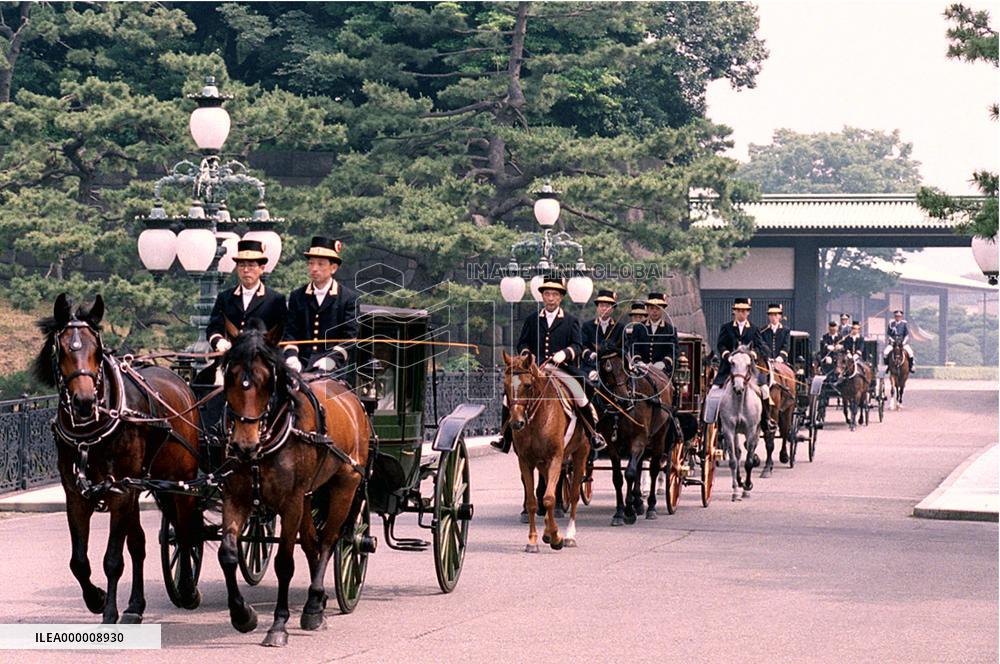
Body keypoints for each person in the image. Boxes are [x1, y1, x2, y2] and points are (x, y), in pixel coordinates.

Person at [493, 275, 607, 454]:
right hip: (533, 369)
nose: (551, 298)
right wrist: (526, 356)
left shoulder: (571, 320)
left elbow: (578, 346)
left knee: (580, 395)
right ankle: (504, 437)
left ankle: (593, 434)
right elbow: (522, 343)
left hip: (560, 368)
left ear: (561, 297)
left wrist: (564, 353)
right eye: (547, 294)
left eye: (555, 294)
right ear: (543, 297)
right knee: (509, 396)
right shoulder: (532, 319)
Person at [282, 236, 359, 373]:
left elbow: (349, 339)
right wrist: (292, 357)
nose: (314, 268)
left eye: (320, 264)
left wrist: (330, 360)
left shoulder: (348, 298)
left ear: (333, 268)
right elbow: (291, 332)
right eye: (311, 263)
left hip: (332, 366)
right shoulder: (297, 296)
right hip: (300, 364)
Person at [206, 239, 287, 354]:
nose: (245, 270)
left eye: (251, 265)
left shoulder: (275, 299)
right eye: (241, 265)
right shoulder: (225, 297)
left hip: (262, 359)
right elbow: (213, 328)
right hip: (230, 357)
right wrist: (220, 342)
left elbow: (282, 332)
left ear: (261, 269)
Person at [712, 298, 768, 404]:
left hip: (750, 369)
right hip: (728, 367)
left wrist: (753, 354)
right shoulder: (726, 327)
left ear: (748, 312)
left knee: (765, 391)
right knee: (713, 392)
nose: (741, 313)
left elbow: (760, 347)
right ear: (734, 311)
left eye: (744, 311)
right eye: (738, 311)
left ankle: (766, 419)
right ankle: (709, 419)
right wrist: (728, 356)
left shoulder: (754, 329)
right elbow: (721, 345)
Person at [633, 292, 678, 374]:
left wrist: (663, 363)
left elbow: (673, 351)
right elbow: (634, 348)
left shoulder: (670, 330)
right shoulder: (638, 328)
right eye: (651, 308)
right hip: (641, 369)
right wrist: (639, 362)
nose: (654, 311)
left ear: (663, 309)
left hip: (662, 371)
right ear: (647, 309)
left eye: (658, 308)